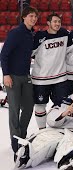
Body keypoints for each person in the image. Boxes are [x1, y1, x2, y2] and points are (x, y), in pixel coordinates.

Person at [14, 85, 73, 170]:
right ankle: (26, 154)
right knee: (44, 140)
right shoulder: (64, 102)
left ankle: (72, 159)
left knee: (70, 146)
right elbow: (50, 120)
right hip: (57, 130)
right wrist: (64, 113)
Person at [0, 6, 38, 161]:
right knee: (14, 110)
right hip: (13, 77)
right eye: (30, 16)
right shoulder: (16, 33)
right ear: (23, 17)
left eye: (35, 16)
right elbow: (4, 54)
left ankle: (21, 135)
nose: (33, 18)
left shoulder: (31, 34)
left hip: (26, 76)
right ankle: (16, 143)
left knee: (28, 107)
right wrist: (6, 75)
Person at [32, 13, 69, 129]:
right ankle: (42, 131)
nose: (57, 24)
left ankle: (56, 129)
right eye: (55, 21)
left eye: (59, 21)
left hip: (60, 78)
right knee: (40, 106)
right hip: (41, 79)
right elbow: (29, 53)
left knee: (62, 106)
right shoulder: (39, 36)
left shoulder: (64, 34)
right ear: (48, 23)